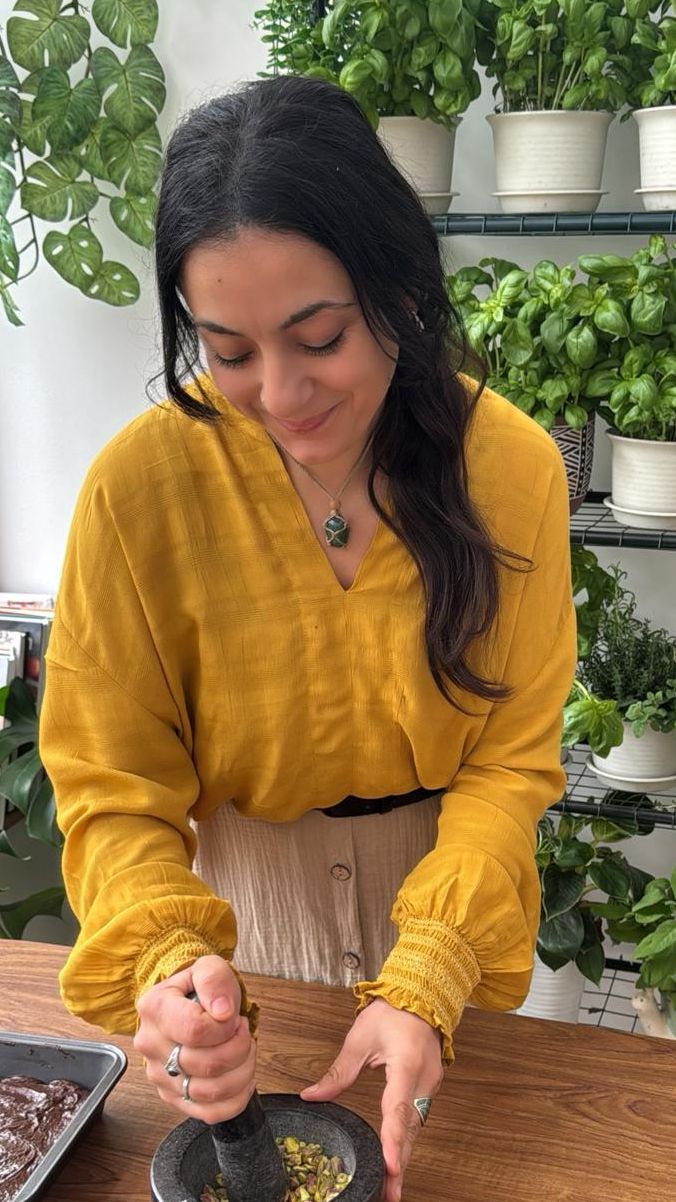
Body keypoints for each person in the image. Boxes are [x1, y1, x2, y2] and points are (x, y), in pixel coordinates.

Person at [39, 74, 577, 1202]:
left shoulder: (509, 467)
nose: (280, 394)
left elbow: (509, 761)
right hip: (237, 933)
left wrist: (430, 970)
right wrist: (166, 957)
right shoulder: (140, 489)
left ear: (397, 288)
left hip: (451, 904)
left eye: (318, 337)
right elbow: (111, 784)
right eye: (228, 352)